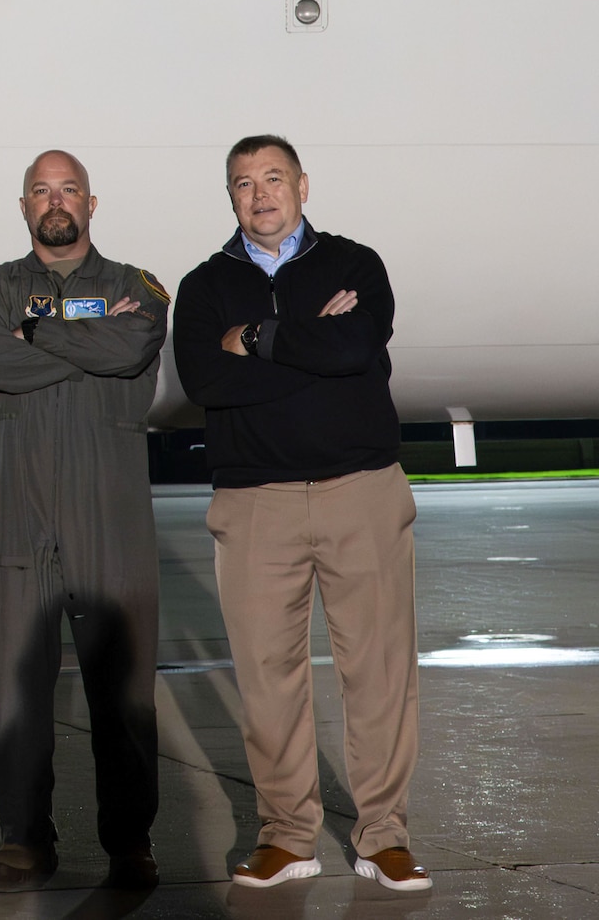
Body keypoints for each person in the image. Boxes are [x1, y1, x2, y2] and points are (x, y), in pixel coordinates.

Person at [174, 135, 429, 893]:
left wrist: (256, 339)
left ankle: (383, 834)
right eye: (244, 183)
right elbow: (205, 379)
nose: (260, 195)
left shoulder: (355, 264)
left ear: (303, 185)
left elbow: (357, 346)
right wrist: (313, 353)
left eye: (273, 178)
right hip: (255, 504)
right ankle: (287, 835)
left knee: (378, 670)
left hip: (362, 492)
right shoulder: (203, 284)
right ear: (231, 197)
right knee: (266, 677)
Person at [0, 150, 168, 889]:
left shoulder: (133, 287)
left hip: (107, 505)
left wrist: (36, 336)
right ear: (23, 206)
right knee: (19, 680)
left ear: (91, 201)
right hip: (18, 506)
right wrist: (81, 346)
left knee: (124, 680)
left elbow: (133, 343)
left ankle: (129, 838)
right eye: (42, 190)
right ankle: (23, 835)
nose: (56, 201)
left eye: (68, 188)